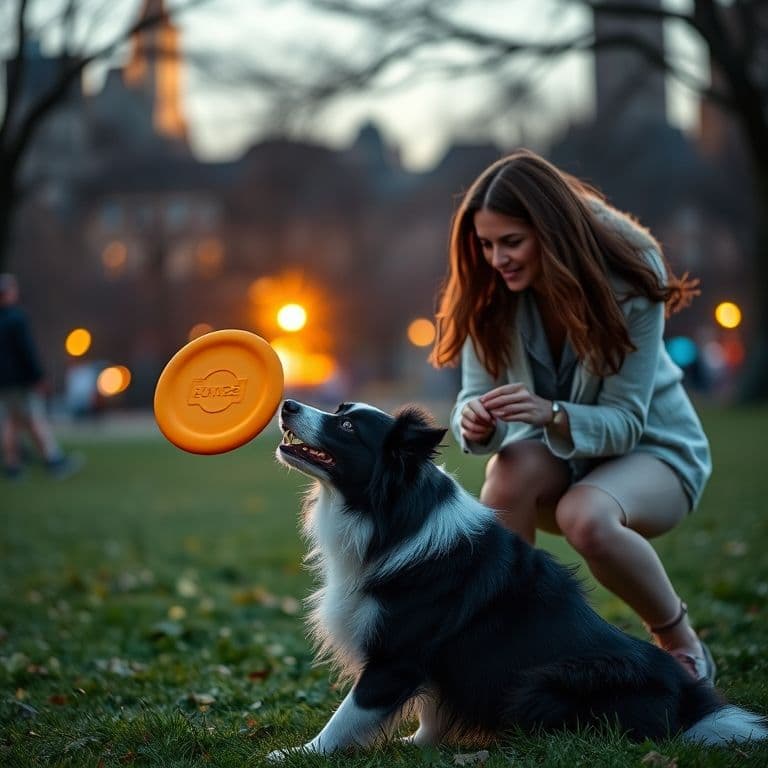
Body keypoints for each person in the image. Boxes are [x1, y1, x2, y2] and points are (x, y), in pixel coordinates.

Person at [430, 149, 714, 683]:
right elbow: (474, 393)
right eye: (487, 244)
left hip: (652, 450)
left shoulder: (629, 273)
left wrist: (552, 412)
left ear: (552, 231)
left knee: (584, 517)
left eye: (511, 242)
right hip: (559, 457)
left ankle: (680, 640)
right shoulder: (489, 286)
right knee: (506, 471)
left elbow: (626, 421)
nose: (497, 258)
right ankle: (509, 655)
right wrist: (476, 420)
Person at [0, 273, 83, 480]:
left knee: (10, 421)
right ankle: (52, 460)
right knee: (34, 418)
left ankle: (12, 466)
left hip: (4, 381)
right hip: (21, 380)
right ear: (9, 293)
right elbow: (27, 351)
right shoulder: (17, 318)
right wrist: (38, 376)